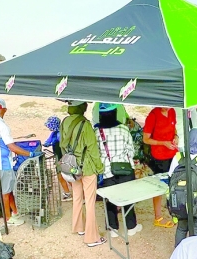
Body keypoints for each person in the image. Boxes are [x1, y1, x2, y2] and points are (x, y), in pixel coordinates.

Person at [60, 101, 105, 247]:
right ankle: (92, 238)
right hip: (87, 167)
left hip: (72, 166)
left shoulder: (64, 122)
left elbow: (62, 144)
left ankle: (79, 227)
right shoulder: (85, 125)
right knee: (90, 202)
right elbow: (93, 149)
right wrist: (100, 168)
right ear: (83, 108)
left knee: (77, 197)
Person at [0, 98, 32, 226]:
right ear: (4, 110)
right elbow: (12, 147)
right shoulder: (3, 126)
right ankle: (9, 219)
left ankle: (15, 212)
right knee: (6, 191)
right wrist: (29, 154)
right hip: (2, 163)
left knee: (6, 189)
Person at [96, 102, 140, 236]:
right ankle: (131, 227)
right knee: (128, 198)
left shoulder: (97, 132)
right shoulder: (123, 129)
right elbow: (131, 151)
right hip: (125, 169)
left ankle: (113, 229)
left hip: (108, 171)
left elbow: (97, 152)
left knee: (110, 200)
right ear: (115, 113)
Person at [168, 128, 197, 246]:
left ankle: (179, 254)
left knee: (182, 229)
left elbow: (170, 177)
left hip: (180, 204)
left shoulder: (177, 157)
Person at [143, 107, 179, 228]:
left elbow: (174, 129)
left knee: (174, 185)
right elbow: (146, 139)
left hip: (172, 155)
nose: (166, 107)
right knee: (159, 187)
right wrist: (163, 143)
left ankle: (175, 212)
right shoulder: (153, 116)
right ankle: (158, 217)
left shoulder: (172, 111)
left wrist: (176, 137)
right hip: (158, 156)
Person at [44, 115, 72, 201]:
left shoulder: (61, 134)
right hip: (58, 158)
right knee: (61, 176)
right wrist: (47, 143)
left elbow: (64, 148)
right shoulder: (55, 133)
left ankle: (77, 193)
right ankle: (68, 193)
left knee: (67, 176)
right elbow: (48, 140)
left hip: (62, 159)